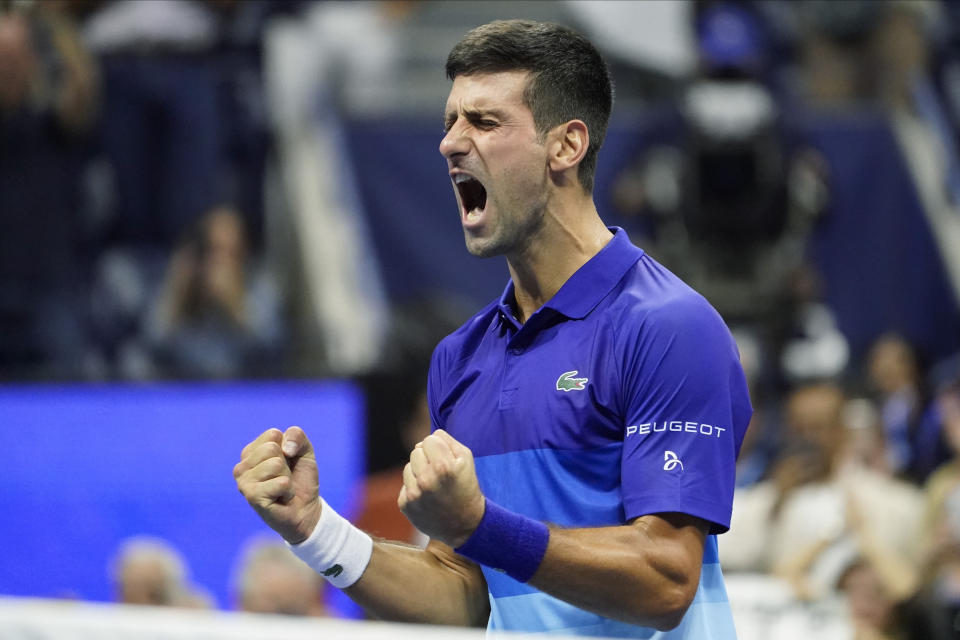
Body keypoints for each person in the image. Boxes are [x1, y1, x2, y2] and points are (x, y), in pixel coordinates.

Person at [234, 19, 751, 638]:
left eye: (483, 122)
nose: (451, 143)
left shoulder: (669, 328)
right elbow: (468, 597)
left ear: (567, 145)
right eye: (450, 121)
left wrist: (480, 525)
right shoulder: (459, 357)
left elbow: (666, 580)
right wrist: (315, 530)